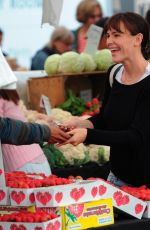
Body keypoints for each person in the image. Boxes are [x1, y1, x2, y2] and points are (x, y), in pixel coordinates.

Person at [62, 12, 150, 188]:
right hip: (117, 178)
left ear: (137, 39)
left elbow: (136, 137)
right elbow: (104, 119)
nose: (109, 41)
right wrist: (79, 124)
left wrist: (88, 135)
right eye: (108, 35)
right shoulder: (114, 73)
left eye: (117, 35)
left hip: (145, 187)